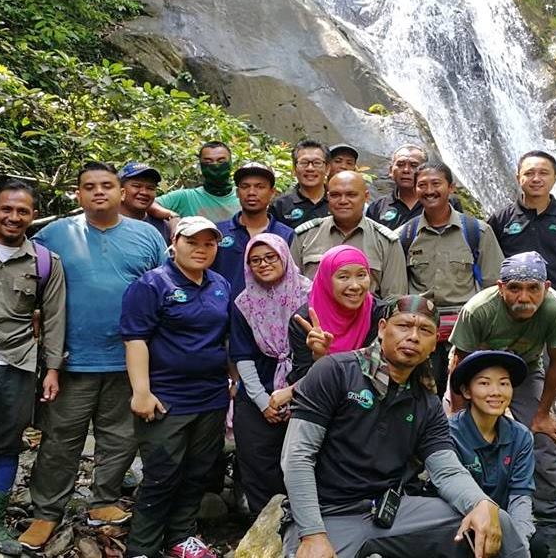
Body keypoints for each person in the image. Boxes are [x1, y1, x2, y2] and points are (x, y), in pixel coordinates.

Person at [281, 295, 528, 558]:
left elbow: (446, 470)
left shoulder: (426, 401)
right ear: (382, 328)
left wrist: (480, 503)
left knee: (494, 520)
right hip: (326, 514)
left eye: (425, 330)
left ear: (434, 344)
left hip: (391, 511)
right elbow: (297, 456)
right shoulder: (335, 372)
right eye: (403, 326)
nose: (413, 337)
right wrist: (312, 534)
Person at [17, 162, 168, 550]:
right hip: (70, 358)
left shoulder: (147, 236)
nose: (98, 192)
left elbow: (163, 291)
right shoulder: (55, 234)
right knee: (59, 440)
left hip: (128, 358)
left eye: (106, 185)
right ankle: (46, 512)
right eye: (89, 186)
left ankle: (103, 501)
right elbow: (15, 258)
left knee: (120, 437)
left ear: (120, 192)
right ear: (78, 195)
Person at [449, 252, 556, 558]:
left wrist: (542, 413)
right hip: (476, 368)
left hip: (527, 367)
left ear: (546, 287)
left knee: (543, 439)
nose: (524, 296)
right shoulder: (478, 309)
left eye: (533, 288)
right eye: (515, 288)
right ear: (500, 287)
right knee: (453, 441)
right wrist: (457, 415)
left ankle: (552, 520)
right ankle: (469, 506)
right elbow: (459, 362)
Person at [0, 181, 67, 554]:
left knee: (6, 445)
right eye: (6, 209)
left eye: (22, 211)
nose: (13, 217)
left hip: (17, 363)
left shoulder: (44, 261)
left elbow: (55, 319)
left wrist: (52, 369)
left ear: (33, 216)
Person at [120, 217, 231, 558]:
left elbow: (224, 338)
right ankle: (143, 546)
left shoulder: (220, 284)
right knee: (161, 474)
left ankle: (181, 536)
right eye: (192, 242)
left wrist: (233, 381)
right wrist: (141, 391)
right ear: (174, 243)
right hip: (166, 397)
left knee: (198, 471)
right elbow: (135, 338)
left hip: (211, 396)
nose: (201, 249)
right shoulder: (153, 284)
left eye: (209, 243)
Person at [398, 161, 504, 395]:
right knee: (420, 397)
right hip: (421, 328)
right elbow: (397, 290)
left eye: (436, 184)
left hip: (466, 330)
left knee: (466, 396)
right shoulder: (404, 235)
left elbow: (493, 288)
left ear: (451, 187)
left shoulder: (478, 232)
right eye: (422, 185)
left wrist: (488, 337)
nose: (429, 190)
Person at [229, 233, 310, 514]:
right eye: (255, 260)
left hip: (306, 393)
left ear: (284, 256)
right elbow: (242, 355)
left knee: (302, 462)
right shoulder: (244, 303)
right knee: (259, 465)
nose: (263, 264)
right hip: (257, 395)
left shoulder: (309, 294)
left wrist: (295, 393)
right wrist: (263, 401)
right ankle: (264, 533)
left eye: (270, 257)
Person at [449, 350, 536, 550]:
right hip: (460, 521)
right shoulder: (449, 434)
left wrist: (519, 543)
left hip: (502, 521)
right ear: (466, 391)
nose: (496, 391)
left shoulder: (521, 436)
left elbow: (520, 495)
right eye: (484, 383)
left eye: (504, 383)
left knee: (537, 546)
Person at [488, 150, 556, 305]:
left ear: (555, 178)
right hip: (510, 307)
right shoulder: (500, 219)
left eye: (544, 173)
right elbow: (482, 264)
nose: (536, 179)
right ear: (519, 178)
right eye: (529, 173)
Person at [291, 171, 407, 298]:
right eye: (335, 195)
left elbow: (394, 299)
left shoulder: (386, 241)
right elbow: (291, 290)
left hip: (368, 316)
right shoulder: (305, 236)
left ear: (366, 196)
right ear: (327, 197)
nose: (343, 201)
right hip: (312, 315)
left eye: (351, 195)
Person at [287, 245, 387, 385]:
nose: (355, 286)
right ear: (326, 280)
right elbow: (301, 382)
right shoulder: (304, 321)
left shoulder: (379, 314)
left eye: (361, 275)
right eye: (343, 277)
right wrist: (319, 358)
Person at [211, 161, 295, 298]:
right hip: (224, 314)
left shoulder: (285, 235)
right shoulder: (217, 232)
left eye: (260, 187)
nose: (251, 192)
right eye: (245, 187)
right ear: (237, 192)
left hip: (271, 315)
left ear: (272, 192)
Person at [366, 144, 463, 229]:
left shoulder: (445, 202)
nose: (406, 170)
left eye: (413, 165)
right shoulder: (377, 207)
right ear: (391, 171)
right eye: (400, 164)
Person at [152, 141, 241, 224]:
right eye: (208, 162)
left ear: (230, 163)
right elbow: (150, 204)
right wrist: (172, 215)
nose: (215, 166)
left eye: (221, 161)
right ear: (201, 166)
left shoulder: (244, 196)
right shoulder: (186, 197)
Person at [270, 139, 330, 229]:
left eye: (317, 163)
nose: (310, 168)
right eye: (304, 162)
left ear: (327, 169)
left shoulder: (338, 201)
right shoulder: (280, 205)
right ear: (294, 169)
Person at [119, 161, 171, 241]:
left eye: (150, 188)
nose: (144, 192)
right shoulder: (103, 223)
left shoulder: (164, 227)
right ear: (120, 191)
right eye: (137, 186)